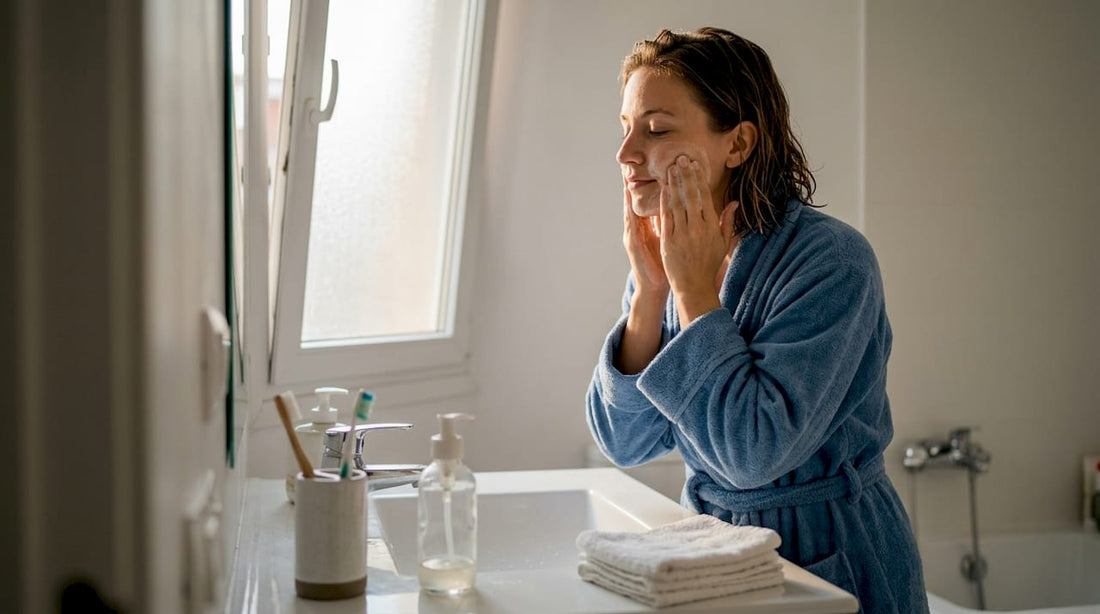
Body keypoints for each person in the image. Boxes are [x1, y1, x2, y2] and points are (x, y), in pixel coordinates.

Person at [586, 27, 928, 613]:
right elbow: (626, 440)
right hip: (718, 555)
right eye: (625, 129)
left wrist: (691, 289)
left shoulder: (831, 262)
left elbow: (752, 454)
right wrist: (649, 292)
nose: (626, 155)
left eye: (657, 129)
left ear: (738, 142)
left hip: (835, 554)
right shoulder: (673, 257)